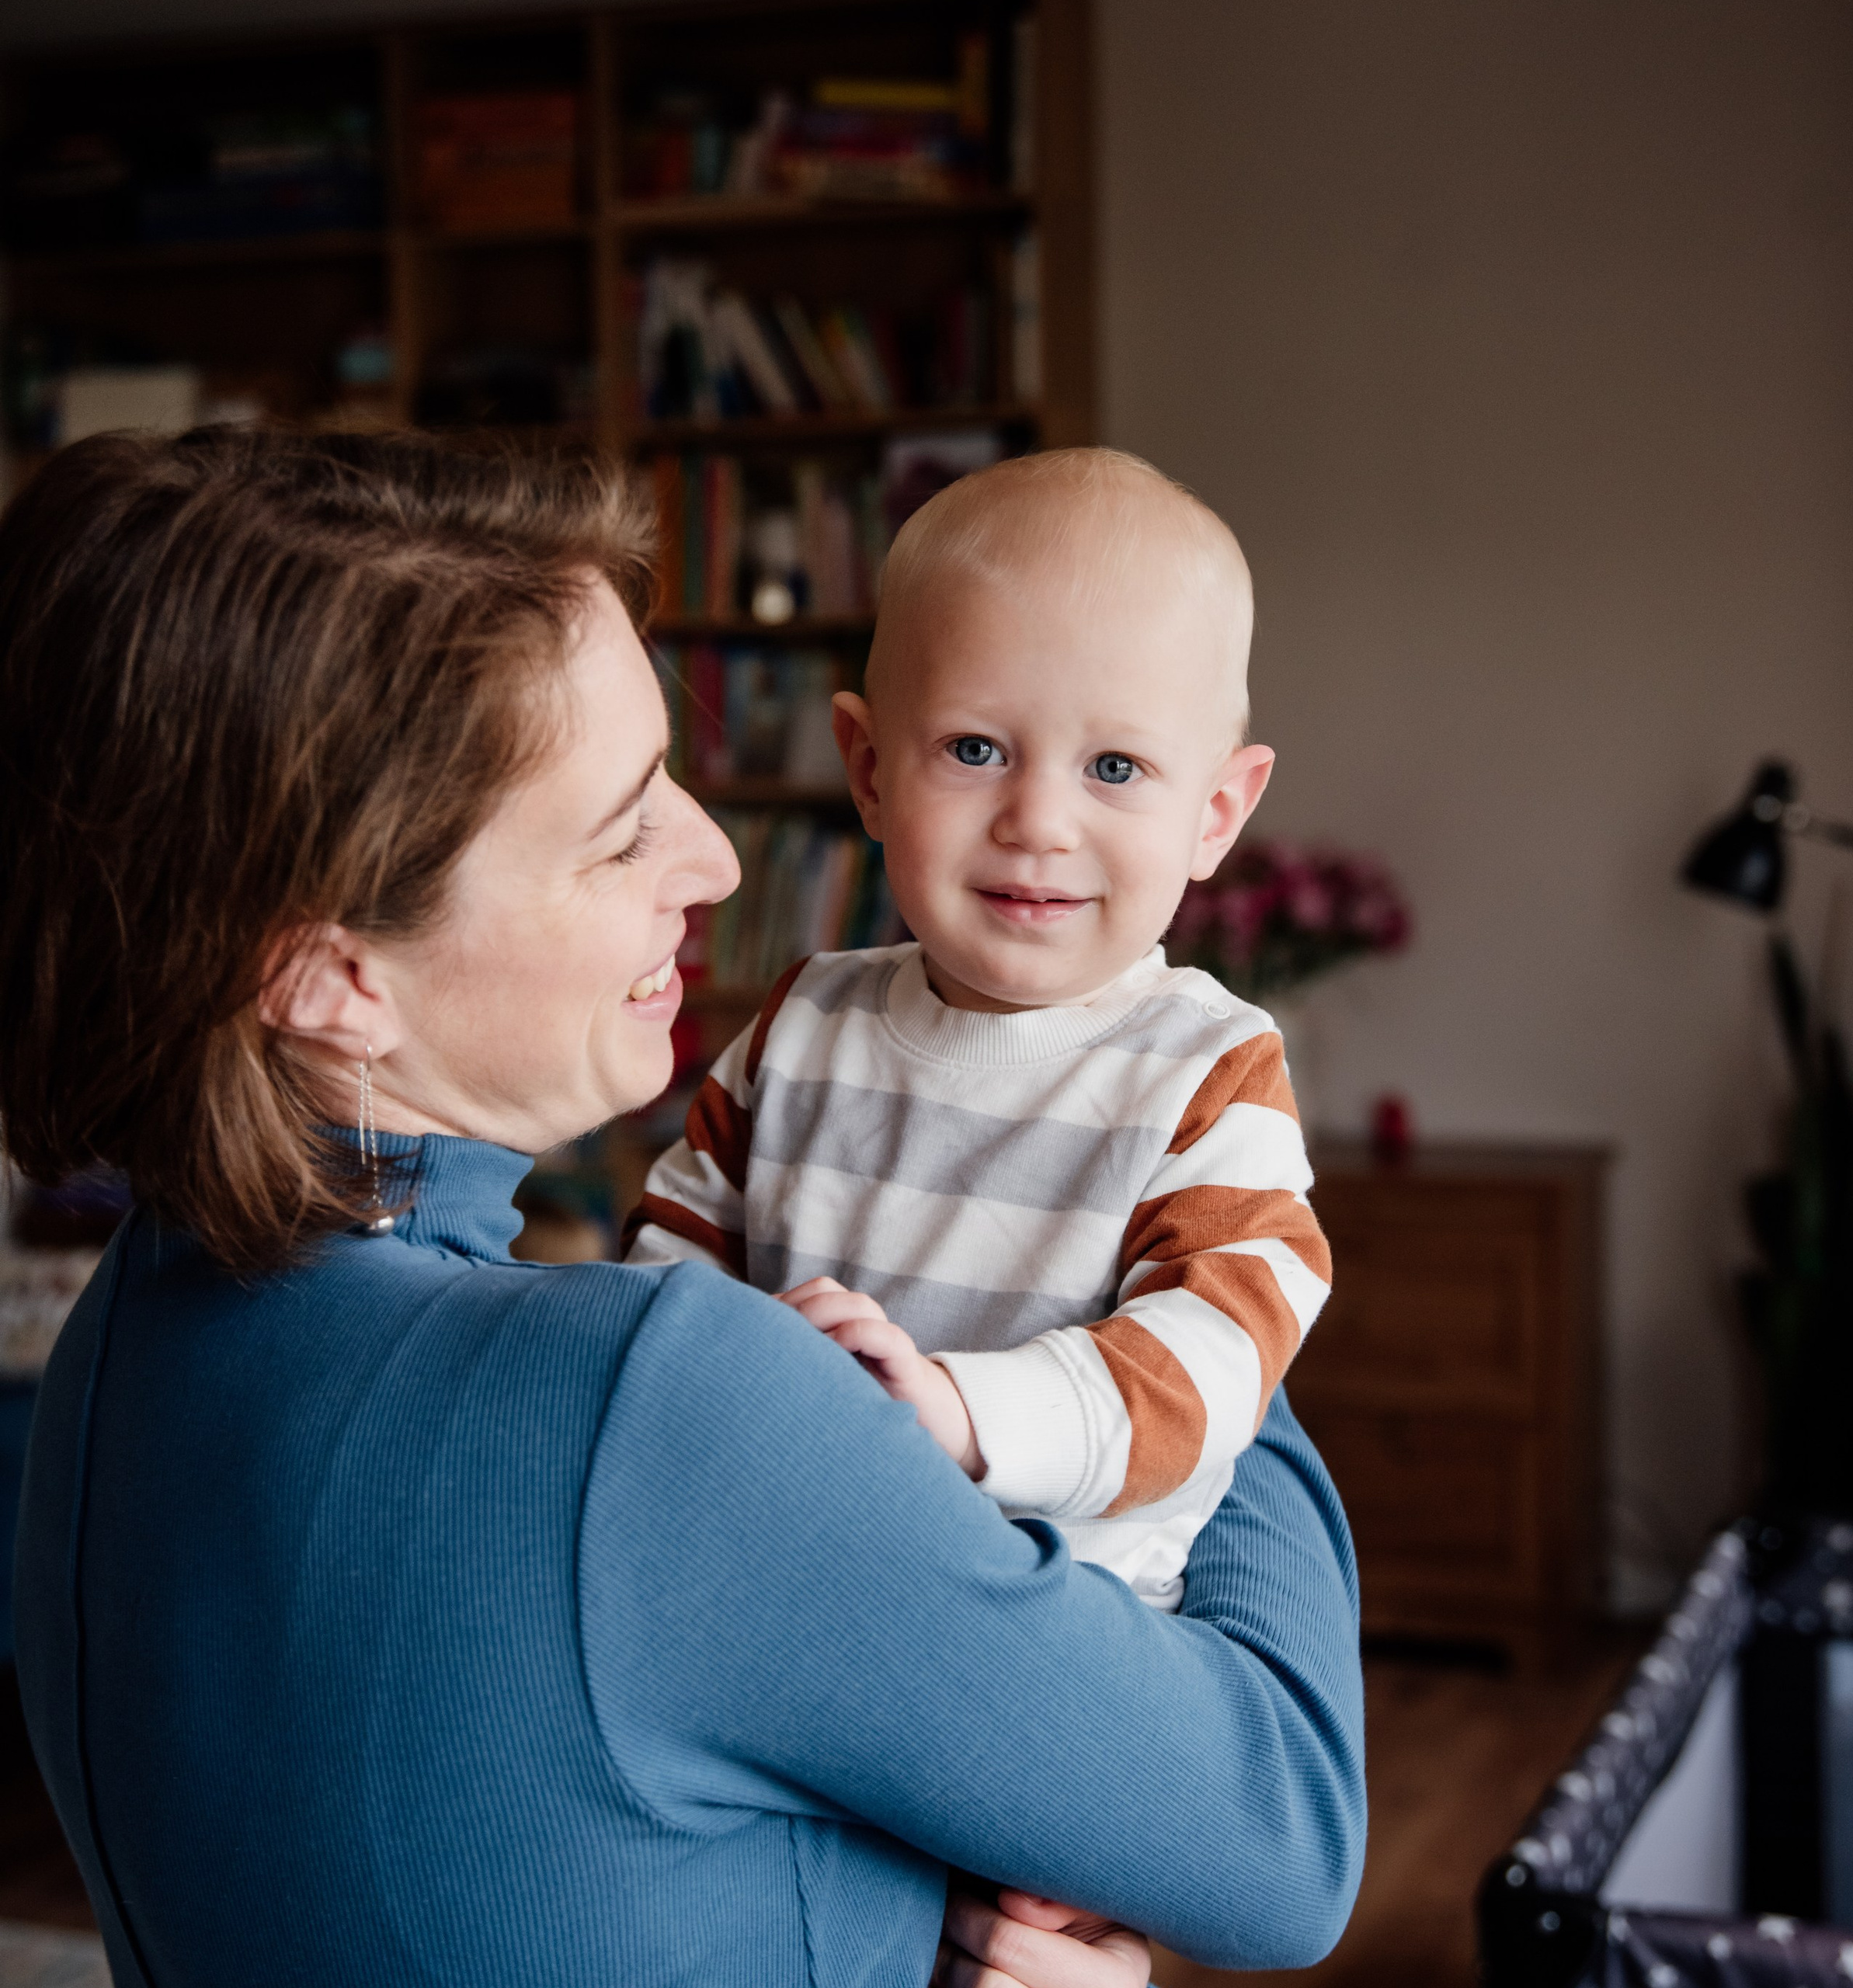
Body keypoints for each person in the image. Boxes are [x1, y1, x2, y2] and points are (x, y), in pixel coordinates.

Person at [0, 428, 1364, 1988]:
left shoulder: (114, 1345)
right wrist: (1198, 1270)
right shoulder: (659, 1402)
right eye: (624, 816)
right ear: (332, 972)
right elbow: (1283, 1843)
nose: (715, 858)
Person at [628, 449, 1329, 1612]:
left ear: (1215, 815)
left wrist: (952, 1412)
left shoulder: (1210, 1075)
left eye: (1115, 766)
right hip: (783, 1584)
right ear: (866, 769)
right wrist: (727, 1385)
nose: (1038, 821)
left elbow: (1210, 1370)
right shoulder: (803, 1025)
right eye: (974, 750)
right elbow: (671, 1268)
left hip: (1061, 1634)